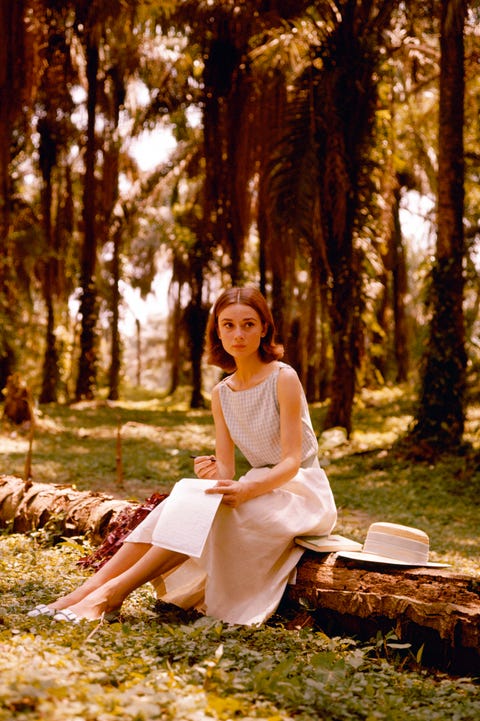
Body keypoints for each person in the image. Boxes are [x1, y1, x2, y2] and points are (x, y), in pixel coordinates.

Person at [28, 286, 337, 625]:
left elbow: (292, 461)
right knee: (176, 504)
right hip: (256, 485)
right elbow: (228, 471)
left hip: (301, 492)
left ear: (265, 328)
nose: (238, 334)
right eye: (228, 325)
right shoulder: (222, 392)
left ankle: (111, 595)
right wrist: (213, 470)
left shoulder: (284, 377)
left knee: (208, 515)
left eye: (248, 324)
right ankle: (83, 592)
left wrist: (248, 490)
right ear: (217, 331)